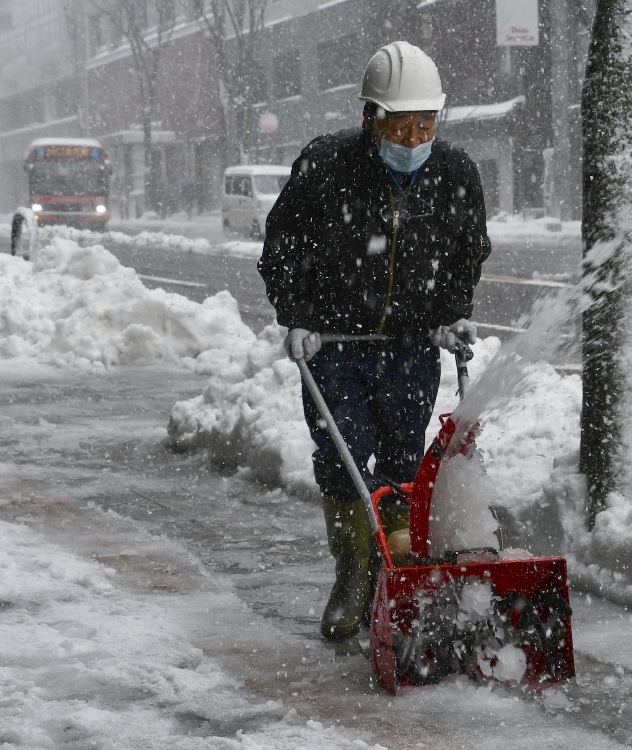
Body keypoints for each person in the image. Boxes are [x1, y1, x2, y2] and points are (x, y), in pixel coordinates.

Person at [258, 40, 491, 641]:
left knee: (402, 460)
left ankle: (398, 570)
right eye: (400, 125)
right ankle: (354, 575)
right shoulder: (327, 165)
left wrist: (452, 313)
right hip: (334, 346)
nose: (414, 140)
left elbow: (468, 254)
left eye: (425, 125)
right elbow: (282, 246)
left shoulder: (455, 173)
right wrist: (299, 314)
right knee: (343, 456)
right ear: (370, 118)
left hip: (409, 348)